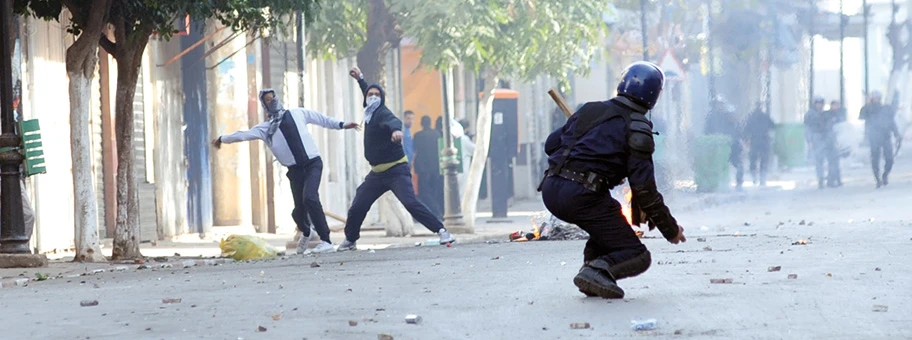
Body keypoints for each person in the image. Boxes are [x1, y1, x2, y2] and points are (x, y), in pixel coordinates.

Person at [539, 61, 686, 299]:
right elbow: (644, 190)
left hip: (551, 189)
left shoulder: (589, 110)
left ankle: (593, 271)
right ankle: (596, 271)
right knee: (637, 255)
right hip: (581, 195)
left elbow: (551, 146)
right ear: (653, 96)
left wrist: (576, 126)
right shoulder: (637, 128)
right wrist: (670, 229)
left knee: (609, 217)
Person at [212, 89, 360, 254]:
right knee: (298, 211)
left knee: (310, 197)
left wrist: (342, 125)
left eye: (272, 98)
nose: (272, 101)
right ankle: (306, 232)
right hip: (295, 171)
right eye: (267, 100)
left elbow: (321, 119)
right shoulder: (266, 129)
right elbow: (243, 135)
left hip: (312, 164)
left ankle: (326, 241)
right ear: (265, 106)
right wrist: (222, 139)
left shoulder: (298, 113)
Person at [340, 66, 455, 251]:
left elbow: (394, 121)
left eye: (377, 94)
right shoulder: (369, 112)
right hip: (377, 173)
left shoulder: (383, 112)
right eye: (370, 94)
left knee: (410, 202)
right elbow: (366, 91)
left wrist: (396, 131)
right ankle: (350, 240)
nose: (373, 97)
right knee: (358, 205)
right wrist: (360, 78)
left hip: (396, 171)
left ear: (382, 97)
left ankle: (442, 231)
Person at [859, 91, 902, 188]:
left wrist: (896, 134)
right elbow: (862, 119)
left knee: (889, 159)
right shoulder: (867, 108)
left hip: (885, 136)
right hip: (873, 137)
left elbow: (891, 122)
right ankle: (878, 179)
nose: (876, 99)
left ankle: (885, 175)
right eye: (874, 97)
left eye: (877, 97)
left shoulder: (886, 109)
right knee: (875, 159)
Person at [704, 97, 745, 189]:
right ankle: (722, 184)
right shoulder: (711, 117)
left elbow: (737, 129)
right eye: (717, 104)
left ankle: (739, 183)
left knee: (738, 164)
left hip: (732, 144)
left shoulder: (729, 116)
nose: (719, 106)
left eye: (720, 104)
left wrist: (738, 139)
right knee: (720, 166)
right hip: (718, 146)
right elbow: (707, 131)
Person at [804, 96, 839, 189]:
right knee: (819, 161)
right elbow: (808, 129)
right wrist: (810, 141)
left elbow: (831, 127)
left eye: (821, 104)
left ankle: (830, 180)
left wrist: (833, 139)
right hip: (817, 138)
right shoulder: (810, 115)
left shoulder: (826, 114)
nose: (819, 105)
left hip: (827, 138)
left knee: (832, 160)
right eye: (817, 103)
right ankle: (820, 180)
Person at [413, 115, 444, 219]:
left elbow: (415, 150)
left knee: (424, 191)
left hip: (423, 168)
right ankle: (437, 211)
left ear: (421, 124)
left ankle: (434, 210)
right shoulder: (437, 134)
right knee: (435, 190)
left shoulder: (418, 135)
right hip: (435, 167)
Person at [744, 102, 776, 186]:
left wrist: (746, 139)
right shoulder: (764, 116)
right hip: (762, 140)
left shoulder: (751, 117)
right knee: (762, 160)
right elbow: (773, 126)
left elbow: (746, 129)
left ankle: (756, 176)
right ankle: (761, 178)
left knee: (754, 159)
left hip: (756, 140)